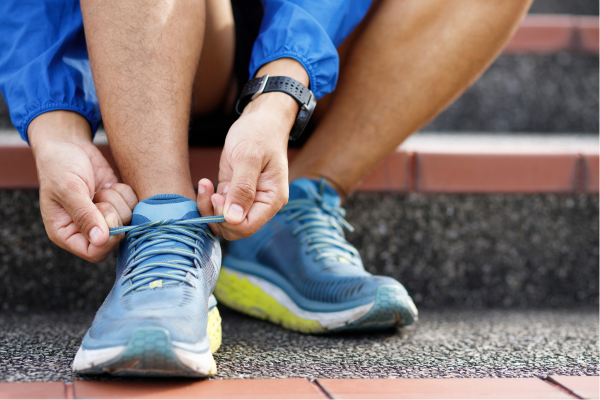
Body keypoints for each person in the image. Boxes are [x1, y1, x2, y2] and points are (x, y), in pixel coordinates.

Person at [0, 0, 532, 377]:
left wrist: (281, 93)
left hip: (317, 55)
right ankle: (166, 224)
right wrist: (56, 126)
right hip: (155, 37)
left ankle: (293, 205)